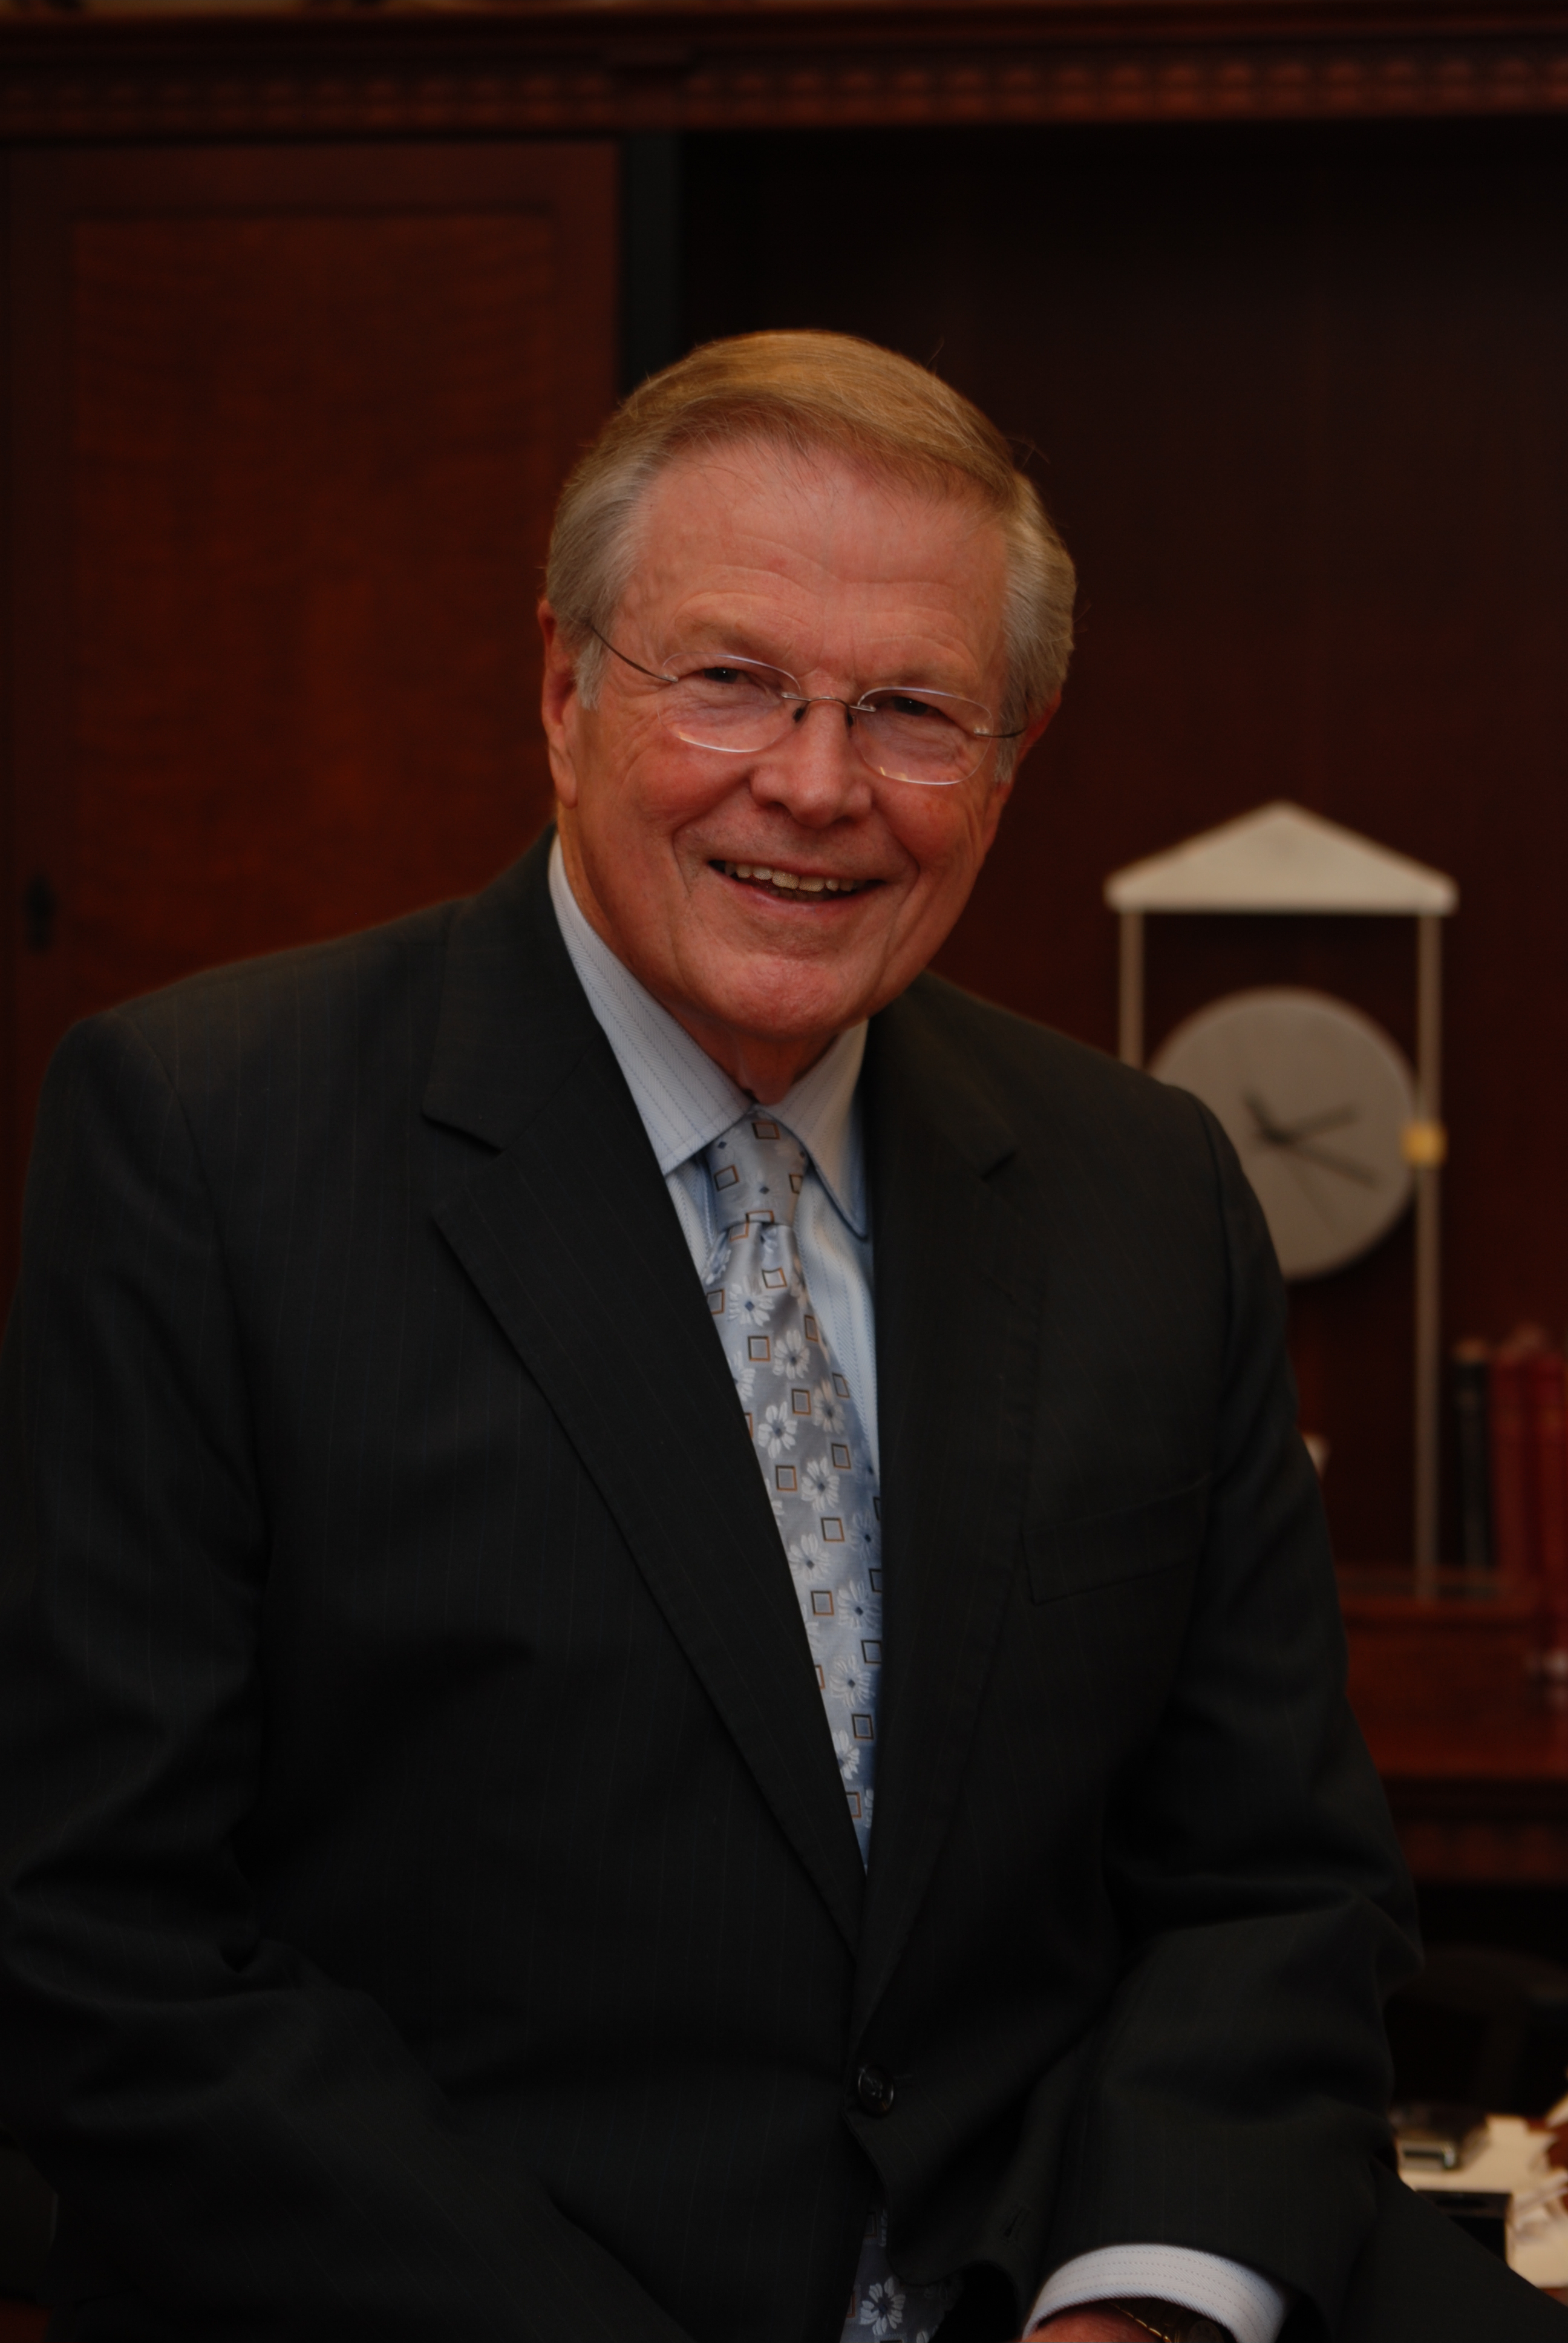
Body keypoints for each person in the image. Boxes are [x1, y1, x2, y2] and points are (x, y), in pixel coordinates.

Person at [0, 330, 1532, 2343]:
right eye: (729, 680)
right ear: (564, 692)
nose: (815, 786)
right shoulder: (210, 1142)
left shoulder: (1147, 1186)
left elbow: (1273, 1884)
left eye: (910, 710)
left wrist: (1139, 2304)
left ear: (1011, 761)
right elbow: (102, 1937)